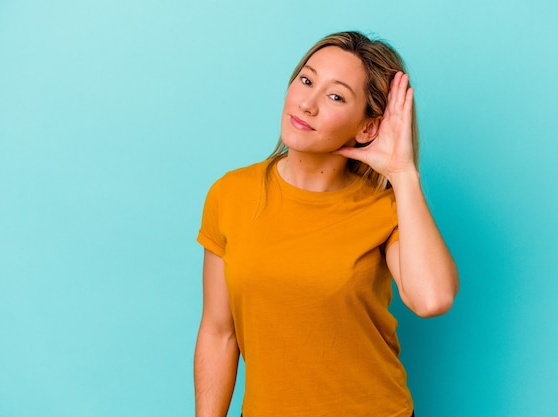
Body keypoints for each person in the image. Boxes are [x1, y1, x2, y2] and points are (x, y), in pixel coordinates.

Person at [194, 31, 459, 417]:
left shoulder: (387, 207)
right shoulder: (230, 194)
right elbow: (220, 332)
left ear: (368, 128)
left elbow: (432, 299)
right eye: (306, 80)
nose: (307, 103)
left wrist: (403, 174)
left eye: (335, 96)